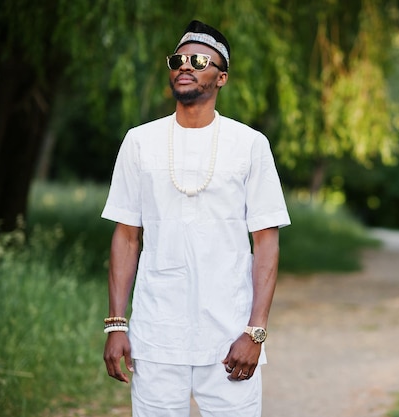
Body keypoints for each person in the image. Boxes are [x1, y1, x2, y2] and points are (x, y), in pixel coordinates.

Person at [101, 20, 290, 417]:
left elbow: (266, 242)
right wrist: (117, 324)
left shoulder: (250, 145)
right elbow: (126, 236)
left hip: (229, 337)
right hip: (156, 335)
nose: (185, 66)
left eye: (199, 60)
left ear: (221, 77)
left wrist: (255, 332)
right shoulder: (140, 141)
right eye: (178, 59)